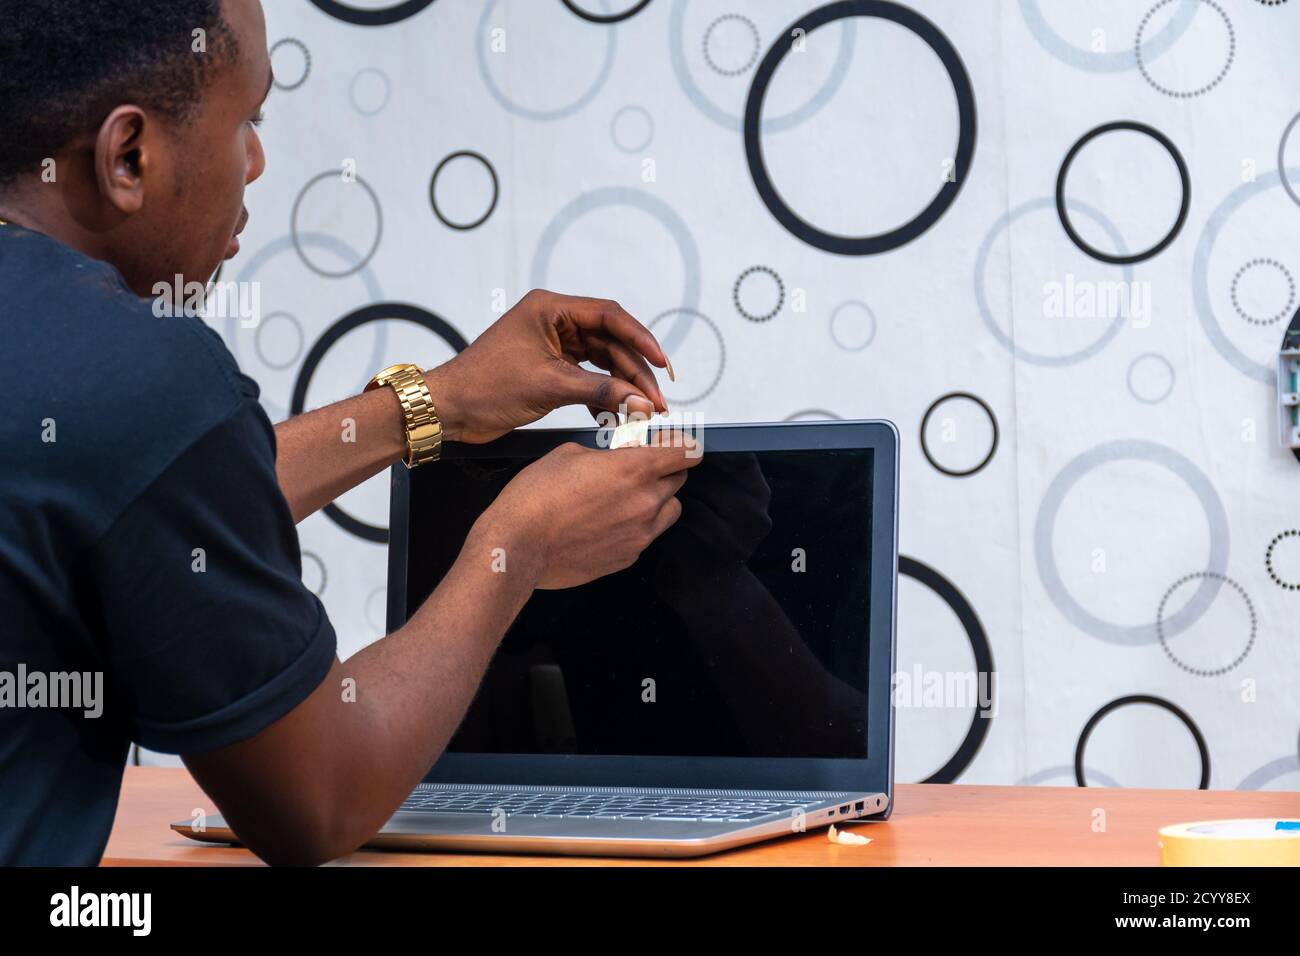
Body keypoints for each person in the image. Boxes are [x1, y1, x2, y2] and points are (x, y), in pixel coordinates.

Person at [0, 0, 699, 866]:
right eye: (246, 119)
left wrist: (435, 402)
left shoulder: (81, 382)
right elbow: (319, 801)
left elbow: (135, 492)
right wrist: (518, 546)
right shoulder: (143, 373)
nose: (255, 161)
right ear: (129, 156)